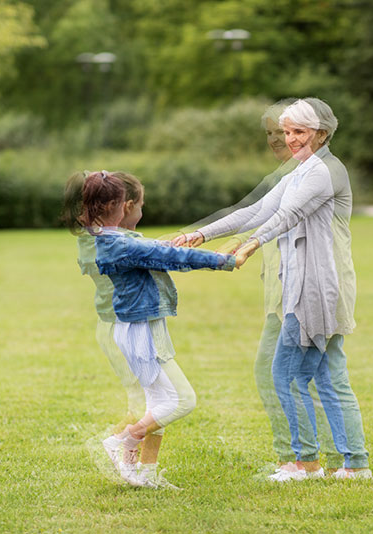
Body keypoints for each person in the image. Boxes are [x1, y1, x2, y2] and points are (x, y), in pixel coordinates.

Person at [176, 98, 371, 481]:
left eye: (300, 131)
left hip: (316, 289)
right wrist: (201, 233)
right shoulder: (300, 171)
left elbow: (287, 216)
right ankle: (354, 464)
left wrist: (251, 243)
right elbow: (257, 210)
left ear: (320, 133)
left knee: (284, 373)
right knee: (330, 375)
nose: (292, 139)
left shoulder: (324, 171)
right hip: (309, 285)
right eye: (287, 132)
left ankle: (305, 463)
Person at [63, 170, 241, 489]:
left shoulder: (107, 238)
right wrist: (221, 260)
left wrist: (169, 242)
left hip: (137, 327)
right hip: (141, 332)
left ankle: (146, 475)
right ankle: (121, 441)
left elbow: (148, 248)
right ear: (120, 206)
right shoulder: (118, 244)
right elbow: (167, 257)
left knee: (157, 405)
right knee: (182, 401)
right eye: (136, 205)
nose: (138, 210)